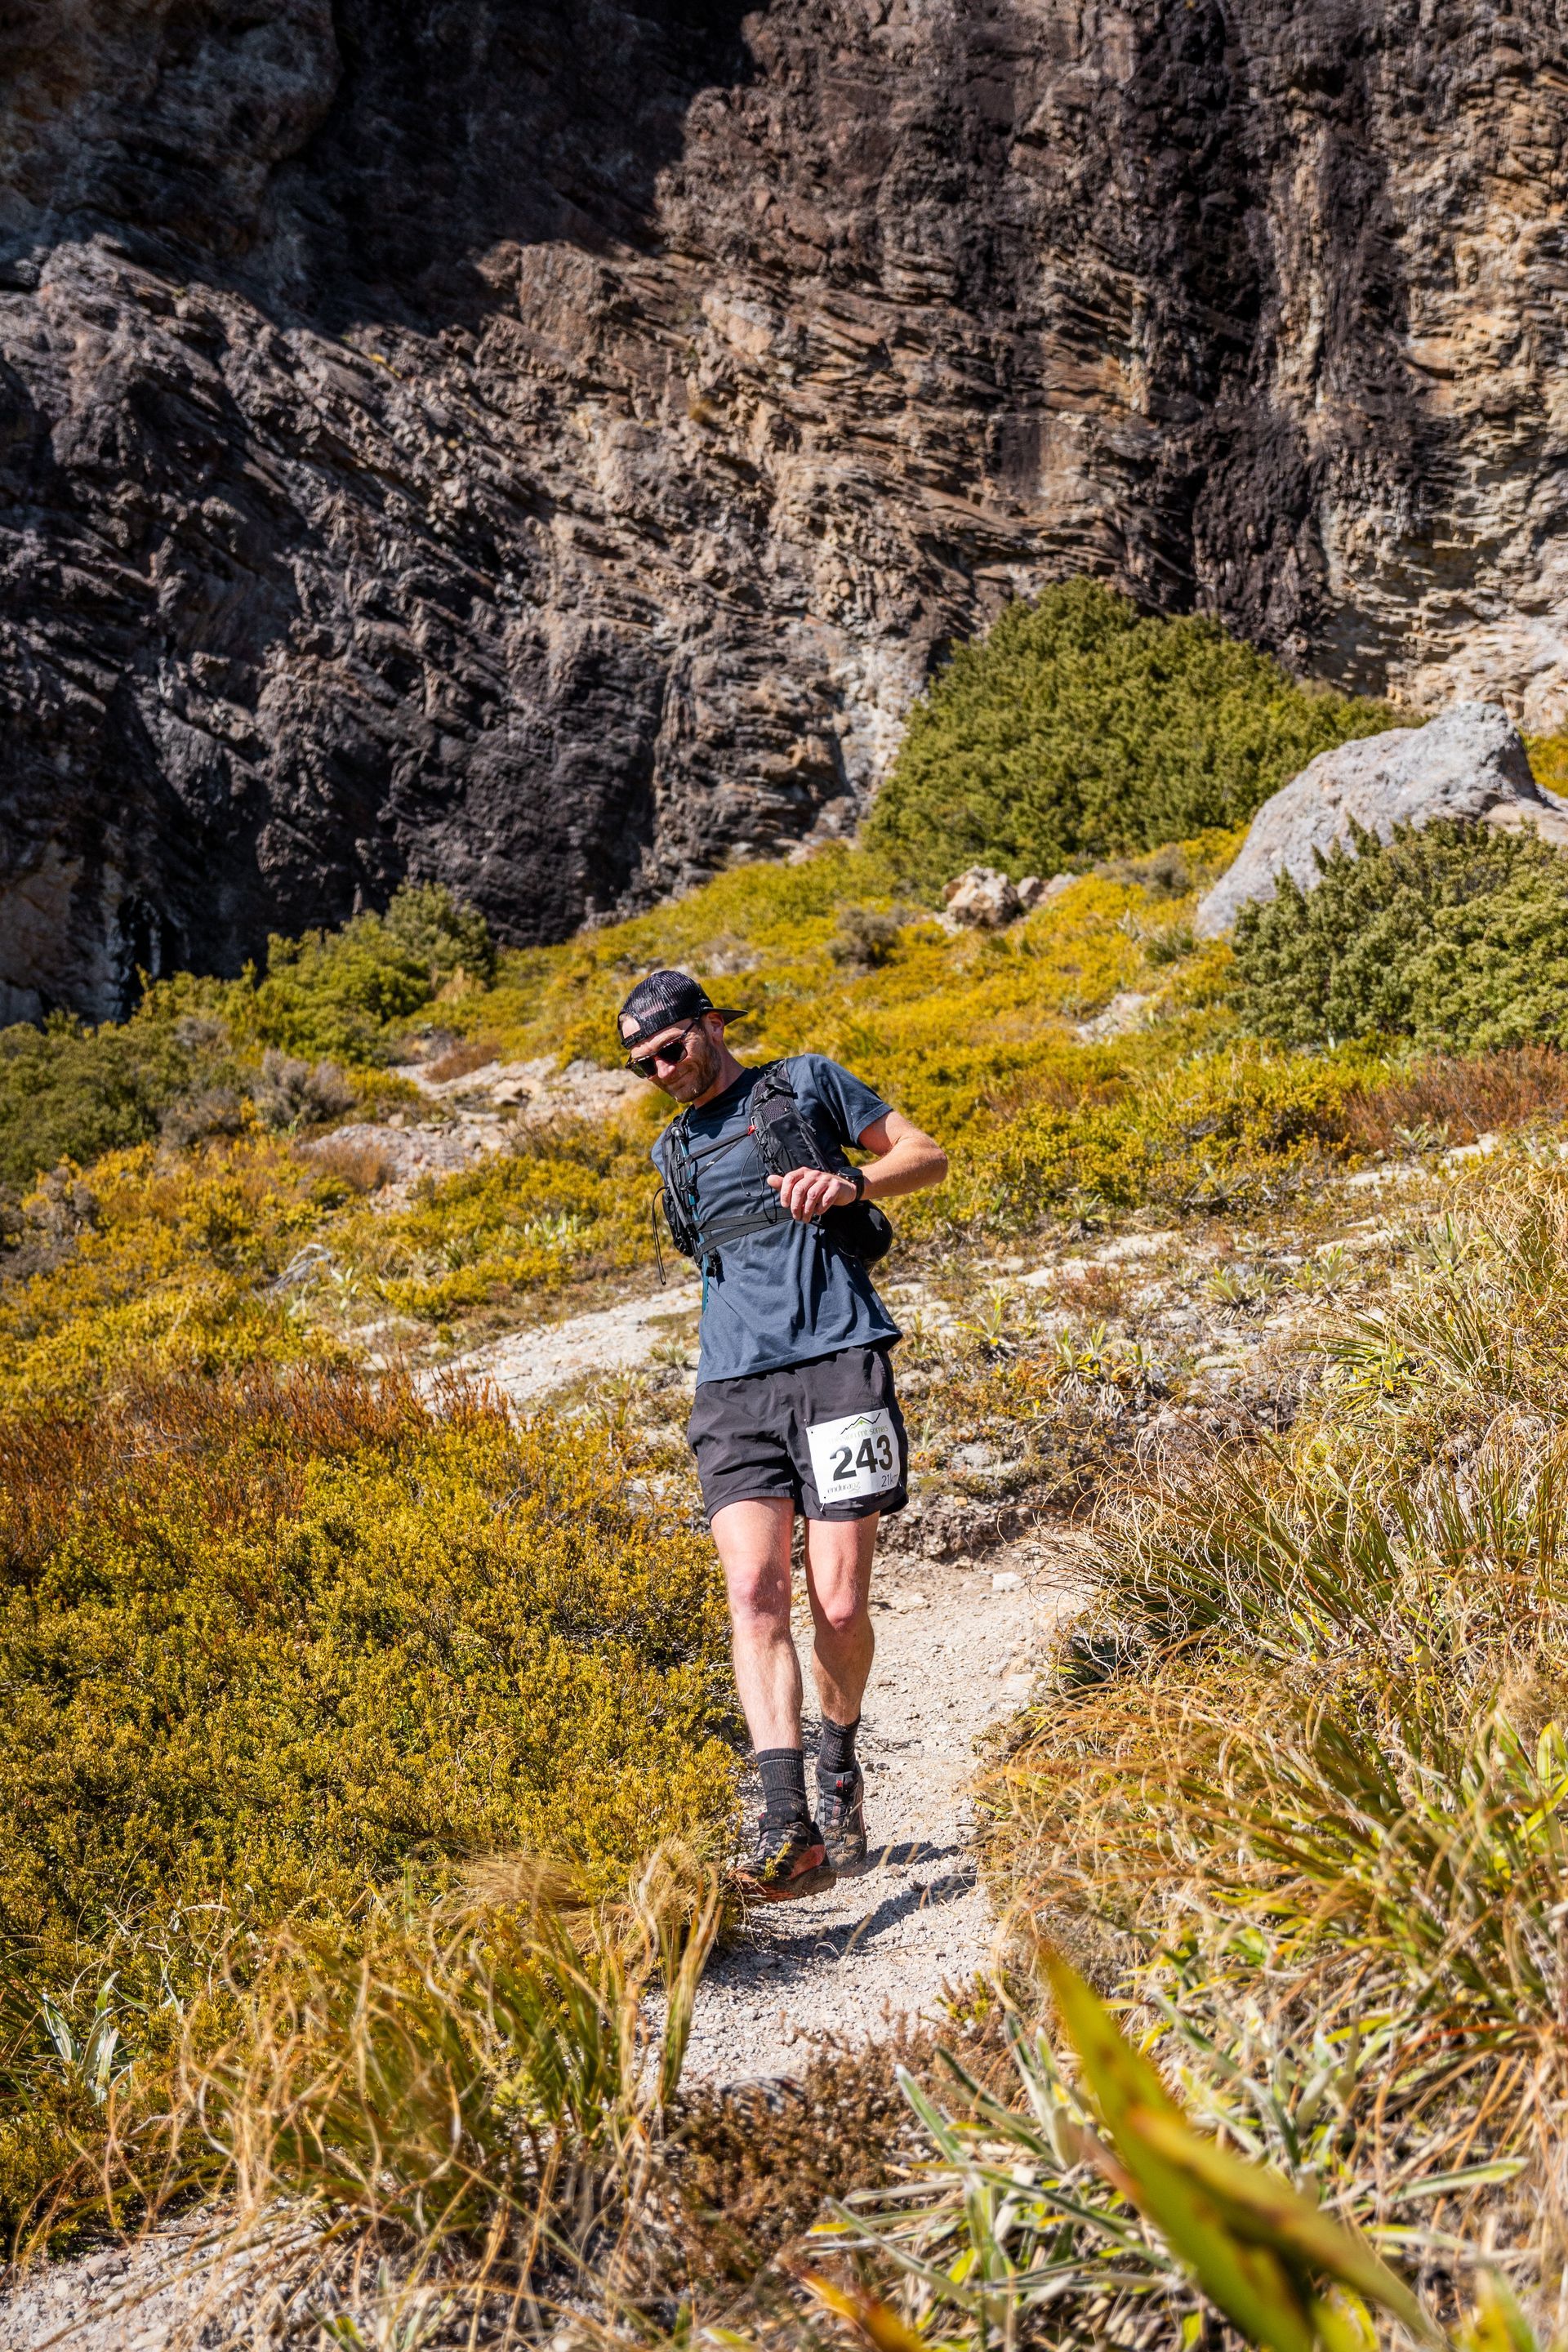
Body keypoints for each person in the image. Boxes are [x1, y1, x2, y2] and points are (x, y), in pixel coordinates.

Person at [619, 968, 948, 1900]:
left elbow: (927, 1157)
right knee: (754, 1596)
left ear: (710, 1026)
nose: (663, 1072)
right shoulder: (672, 1150)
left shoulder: (805, 1081)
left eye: (671, 1050)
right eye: (643, 1066)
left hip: (842, 1362)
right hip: (731, 1389)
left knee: (838, 1607)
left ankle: (838, 1763)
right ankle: (786, 1825)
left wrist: (849, 1184)